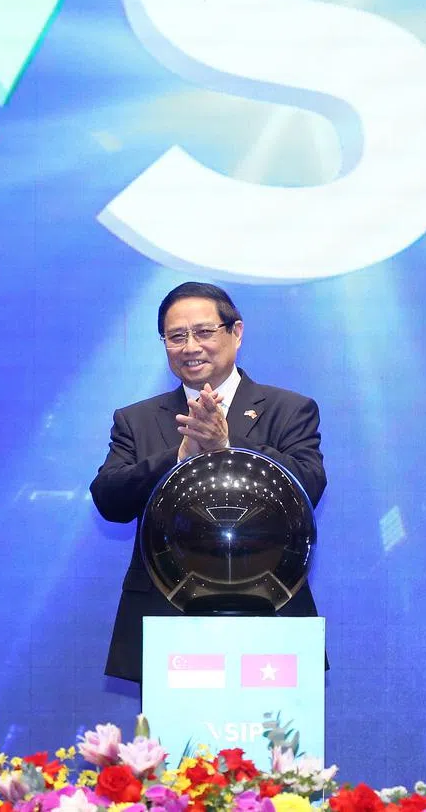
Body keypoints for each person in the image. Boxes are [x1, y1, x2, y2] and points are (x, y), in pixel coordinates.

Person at [90, 281, 326, 683]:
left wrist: (226, 445)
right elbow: (109, 500)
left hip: (267, 610)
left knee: (272, 743)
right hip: (167, 616)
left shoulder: (289, 409)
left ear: (235, 333)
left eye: (203, 332)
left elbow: (308, 485)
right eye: (176, 336)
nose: (190, 347)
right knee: (174, 746)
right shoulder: (136, 419)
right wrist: (179, 457)